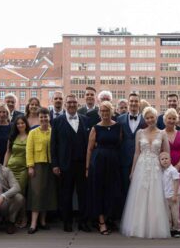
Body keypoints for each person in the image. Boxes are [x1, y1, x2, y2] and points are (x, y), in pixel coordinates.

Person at [120, 106, 170, 239]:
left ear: (156, 117)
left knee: (156, 196)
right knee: (140, 195)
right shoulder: (140, 133)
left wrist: (166, 170)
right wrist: (132, 171)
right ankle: (138, 227)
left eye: (152, 117)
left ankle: (155, 228)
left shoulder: (162, 133)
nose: (149, 120)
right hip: (141, 166)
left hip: (156, 167)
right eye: (147, 118)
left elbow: (166, 153)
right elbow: (137, 152)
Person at [51, 95, 91, 233]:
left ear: (77, 104)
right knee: (66, 194)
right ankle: (67, 222)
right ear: (65, 104)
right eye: (69, 102)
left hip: (82, 164)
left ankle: (83, 222)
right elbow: (53, 145)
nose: (72, 104)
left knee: (84, 194)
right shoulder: (57, 121)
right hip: (64, 164)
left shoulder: (86, 120)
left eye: (74, 102)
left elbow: (89, 144)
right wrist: (55, 164)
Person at [85, 101, 123, 235]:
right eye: (102, 111)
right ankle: (101, 222)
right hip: (98, 162)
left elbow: (119, 143)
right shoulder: (95, 128)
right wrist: (87, 168)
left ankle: (109, 218)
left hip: (113, 162)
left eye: (107, 110)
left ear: (111, 111)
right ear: (99, 112)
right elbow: (89, 149)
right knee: (99, 190)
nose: (105, 113)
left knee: (112, 190)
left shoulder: (118, 127)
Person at [25, 110, 57, 233]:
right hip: (37, 166)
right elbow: (29, 150)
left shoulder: (53, 132)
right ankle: (33, 223)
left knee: (47, 193)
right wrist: (30, 166)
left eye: (46, 116)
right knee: (36, 194)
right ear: (39, 118)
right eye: (41, 117)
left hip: (50, 166)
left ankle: (43, 221)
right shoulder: (33, 132)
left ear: (49, 118)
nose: (44, 119)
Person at [116, 93, 146, 204]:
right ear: (128, 103)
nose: (133, 103)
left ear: (139, 103)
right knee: (124, 188)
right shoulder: (120, 119)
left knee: (140, 188)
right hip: (124, 159)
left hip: (141, 160)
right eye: (131, 101)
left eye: (136, 101)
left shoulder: (145, 120)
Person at [5, 115, 31, 225]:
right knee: (11, 193)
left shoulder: (30, 135)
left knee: (20, 193)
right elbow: (8, 152)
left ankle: (24, 217)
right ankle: (13, 217)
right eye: (18, 123)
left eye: (22, 123)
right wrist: (4, 167)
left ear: (26, 124)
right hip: (11, 168)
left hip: (23, 169)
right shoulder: (12, 137)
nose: (20, 125)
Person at [160, 151, 180, 238]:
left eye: (166, 159)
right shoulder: (162, 171)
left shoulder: (173, 170)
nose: (164, 161)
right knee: (168, 214)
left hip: (174, 196)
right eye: (162, 159)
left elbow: (176, 182)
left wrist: (175, 195)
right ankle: (169, 228)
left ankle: (177, 229)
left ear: (170, 159)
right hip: (166, 196)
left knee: (175, 214)